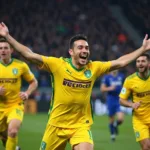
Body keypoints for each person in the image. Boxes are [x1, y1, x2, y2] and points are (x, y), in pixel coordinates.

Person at [0, 22, 150, 150]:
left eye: (86, 48)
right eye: (80, 48)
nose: (85, 51)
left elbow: (121, 62)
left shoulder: (94, 67)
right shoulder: (57, 64)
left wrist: (142, 49)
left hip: (80, 125)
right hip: (56, 125)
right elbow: (29, 54)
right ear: (71, 52)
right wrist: (7, 37)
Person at [0, 37, 38, 150]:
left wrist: (27, 93)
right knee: (4, 137)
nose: (3, 50)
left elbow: (34, 82)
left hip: (15, 105)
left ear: (11, 50)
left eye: (6, 48)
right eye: (0, 48)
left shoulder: (20, 66)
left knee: (13, 131)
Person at [119, 53, 150, 150]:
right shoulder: (130, 80)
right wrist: (131, 104)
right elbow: (121, 100)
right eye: (138, 61)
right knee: (146, 146)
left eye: (143, 61)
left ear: (149, 64)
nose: (140, 64)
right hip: (140, 120)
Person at [100, 70, 125, 141]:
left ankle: (115, 124)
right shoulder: (107, 77)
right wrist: (110, 88)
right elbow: (102, 89)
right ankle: (112, 135)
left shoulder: (121, 76)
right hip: (110, 100)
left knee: (120, 119)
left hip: (119, 99)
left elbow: (125, 86)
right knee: (111, 118)